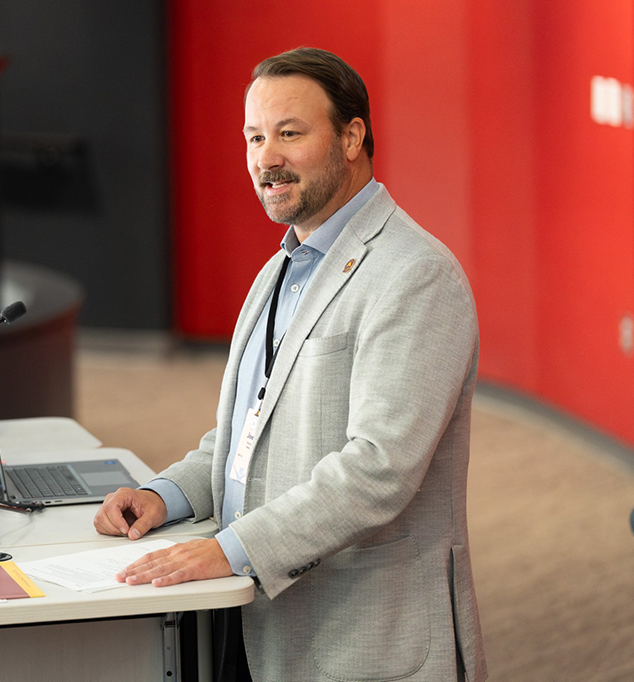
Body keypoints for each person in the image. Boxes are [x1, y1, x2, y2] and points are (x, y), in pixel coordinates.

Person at [93, 47, 486, 682]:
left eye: (289, 134)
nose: (265, 158)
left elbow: (378, 470)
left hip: (363, 639)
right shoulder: (280, 269)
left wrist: (230, 550)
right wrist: (164, 495)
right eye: (254, 137)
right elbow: (249, 435)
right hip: (257, 622)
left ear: (352, 138)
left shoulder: (416, 276)